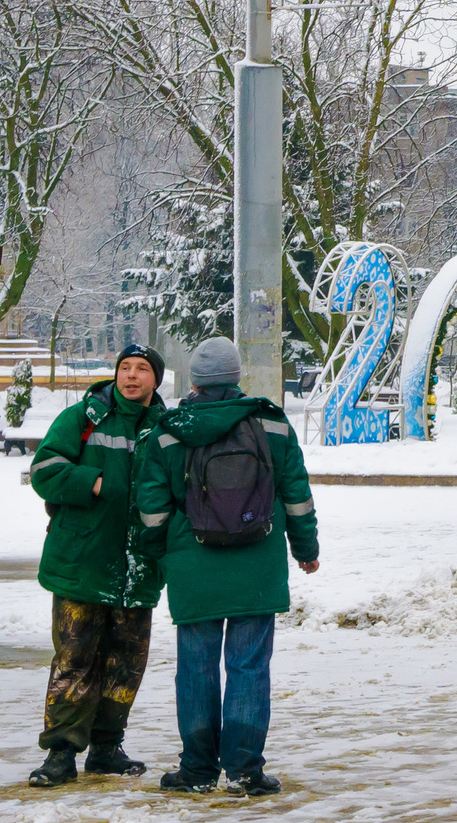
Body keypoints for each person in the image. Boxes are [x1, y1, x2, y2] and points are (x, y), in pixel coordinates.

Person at [135, 336, 319, 795]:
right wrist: (305, 549)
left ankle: (197, 770)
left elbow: (151, 507)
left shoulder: (167, 430)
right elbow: (296, 496)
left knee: (195, 667)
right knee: (250, 666)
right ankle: (244, 770)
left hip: (193, 564)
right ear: (237, 376)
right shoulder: (272, 425)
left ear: (194, 379)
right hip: (258, 563)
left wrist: (162, 554)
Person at [24, 345, 171, 787]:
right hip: (81, 561)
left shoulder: (166, 428)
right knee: (75, 658)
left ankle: (107, 747)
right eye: (125, 368)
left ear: (155, 381)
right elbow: (44, 469)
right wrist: (94, 481)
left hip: (137, 564)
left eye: (142, 370)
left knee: (126, 662)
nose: (131, 376)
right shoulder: (84, 417)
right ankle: (61, 751)